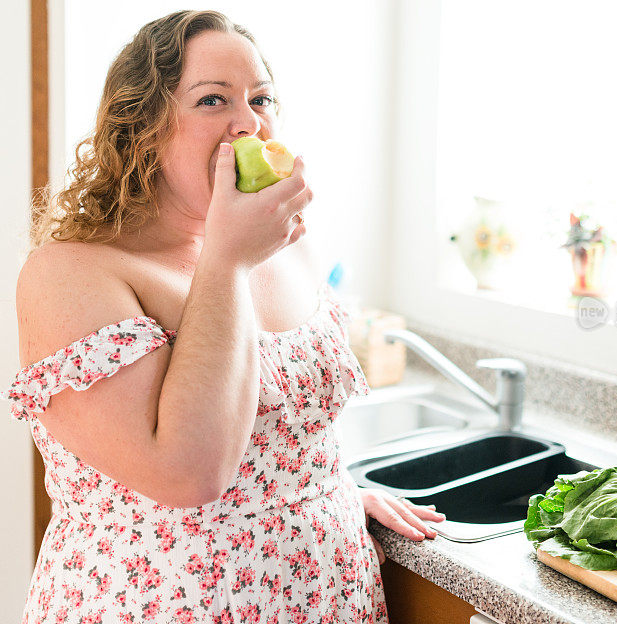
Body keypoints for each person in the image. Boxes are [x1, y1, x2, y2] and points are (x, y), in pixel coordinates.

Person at [3, 10, 444, 623]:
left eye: (261, 97)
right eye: (213, 100)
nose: (249, 122)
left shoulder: (286, 246)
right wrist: (227, 259)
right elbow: (187, 474)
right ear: (143, 127)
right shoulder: (71, 274)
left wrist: (315, 493)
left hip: (329, 594)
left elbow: (284, 438)